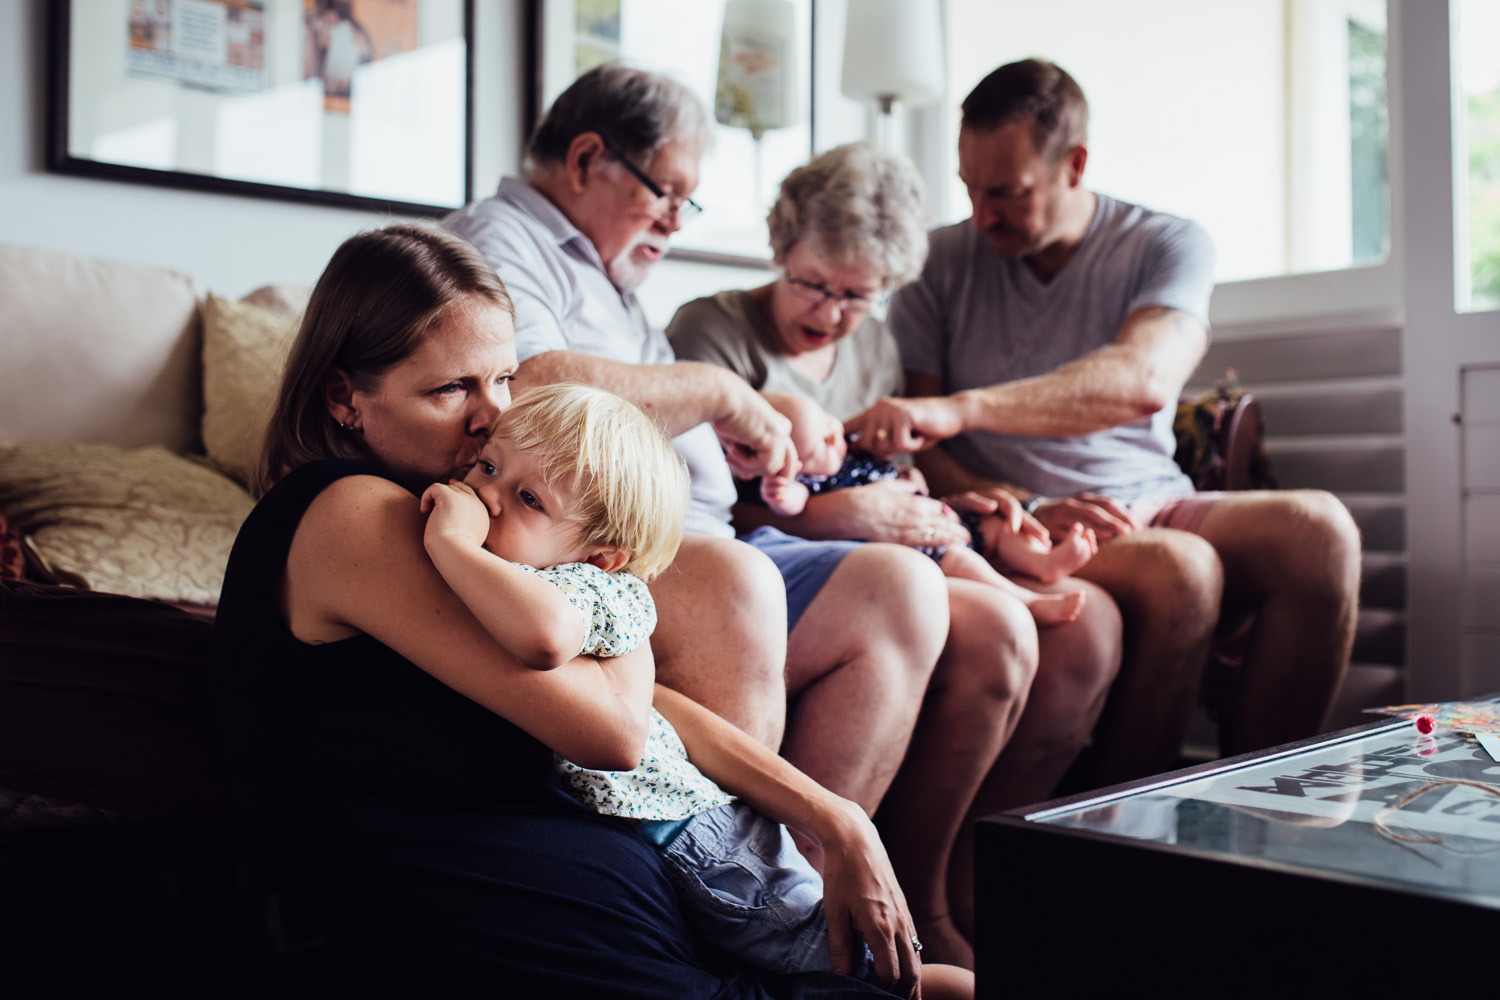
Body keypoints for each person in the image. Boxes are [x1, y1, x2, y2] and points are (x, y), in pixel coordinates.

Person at [442, 67, 1081, 966]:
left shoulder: (612, 274)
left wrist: (751, 443)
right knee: (773, 579)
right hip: (640, 542)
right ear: (587, 158)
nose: (674, 221)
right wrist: (718, 393)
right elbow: (534, 390)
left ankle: (819, 909)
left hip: (715, 523)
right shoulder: (502, 243)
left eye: (685, 204)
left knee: (905, 588)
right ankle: (766, 932)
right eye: (667, 194)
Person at [214, 223, 915, 998]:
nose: (494, 417)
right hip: (512, 947)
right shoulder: (354, 514)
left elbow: (642, 707)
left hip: (619, 924)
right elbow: (614, 728)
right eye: (451, 390)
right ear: (345, 396)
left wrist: (833, 816)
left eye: (505, 380)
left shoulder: (462, 524)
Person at [846, 59, 1362, 782]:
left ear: (1074, 165)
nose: (983, 213)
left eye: (1007, 192)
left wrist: (958, 407)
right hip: (1018, 514)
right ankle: (1122, 839)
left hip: (1152, 492)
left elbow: (1145, 380)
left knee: (1321, 532)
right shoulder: (939, 262)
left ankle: (1263, 809)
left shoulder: (1166, 243)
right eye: (970, 189)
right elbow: (924, 454)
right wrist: (1025, 506)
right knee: (1181, 570)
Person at [664, 140, 1123, 950]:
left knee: (1085, 624)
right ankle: (847, 901)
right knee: (1000, 629)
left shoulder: (873, 348)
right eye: (813, 283)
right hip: (778, 544)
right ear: (782, 247)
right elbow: (709, 505)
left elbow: (885, 473)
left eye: (856, 296)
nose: (831, 311)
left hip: (869, 536)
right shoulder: (713, 329)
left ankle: (942, 881)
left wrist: (942, 510)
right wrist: (846, 520)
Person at [419, 381, 972, 998]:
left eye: (527, 498)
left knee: (856, 971)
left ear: (600, 556)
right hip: (654, 843)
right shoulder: (513, 568)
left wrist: (452, 541)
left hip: (699, 844)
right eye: (489, 465)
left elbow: (542, 638)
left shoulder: (591, 589)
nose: (486, 497)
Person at [751, 390, 1093, 625]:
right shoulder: (808, 483)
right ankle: (1028, 601)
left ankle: (1044, 562)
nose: (835, 438)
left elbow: (890, 470)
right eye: (820, 446)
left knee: (995, 522)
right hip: (912, 544)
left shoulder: (851, 456)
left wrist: (908, 476)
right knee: (959, 559)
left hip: (937, 515)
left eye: (830, 425)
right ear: (794, 465)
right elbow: (791, 505)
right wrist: (782, 493)